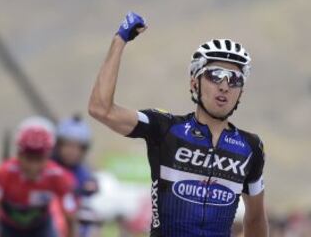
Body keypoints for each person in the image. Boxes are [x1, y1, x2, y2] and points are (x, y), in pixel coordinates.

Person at [88, 12, 269, 237]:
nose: (224, 86)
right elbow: (100, 109)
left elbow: (256, 219)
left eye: (234, 79)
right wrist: (119, 40)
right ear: (195, 82)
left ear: (241, 92)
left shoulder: (251, 147)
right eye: (215, 75)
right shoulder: (165, 128)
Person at [0, 117, 78, 237]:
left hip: (41, 228)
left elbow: (70, 218)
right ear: (19, 155)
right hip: (9, 228)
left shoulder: (58, 176)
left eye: (39, 159)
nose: (33, 166)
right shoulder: (4, 173)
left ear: (48, 156)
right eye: (29, 158)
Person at [53, 115, 99, 237]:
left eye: (76, 147)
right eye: (68, 145)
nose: (71, 151)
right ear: (59, 145)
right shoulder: (49, 167)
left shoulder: (83, 173)